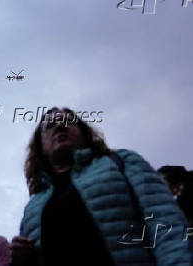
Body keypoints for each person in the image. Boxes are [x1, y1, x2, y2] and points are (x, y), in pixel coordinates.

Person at [11, 107, 192, 266]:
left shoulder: (121, 161)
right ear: (41, 147)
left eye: (68, 121)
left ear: (84, 134)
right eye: (50, 126)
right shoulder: (33, 208)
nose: (59, 126)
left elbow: (164, 220)